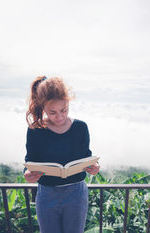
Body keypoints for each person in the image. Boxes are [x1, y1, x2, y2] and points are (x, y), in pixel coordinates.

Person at [24, 75, 100, 233]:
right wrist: (28, 174)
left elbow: (87, 157)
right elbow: (29, 161)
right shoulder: (35, 131)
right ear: (43, 108)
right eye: (52, 113)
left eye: (64, 110)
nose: (59, 117)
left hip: (76, 194)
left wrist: (94, 166)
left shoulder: (80, 128)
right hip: (47, 194)